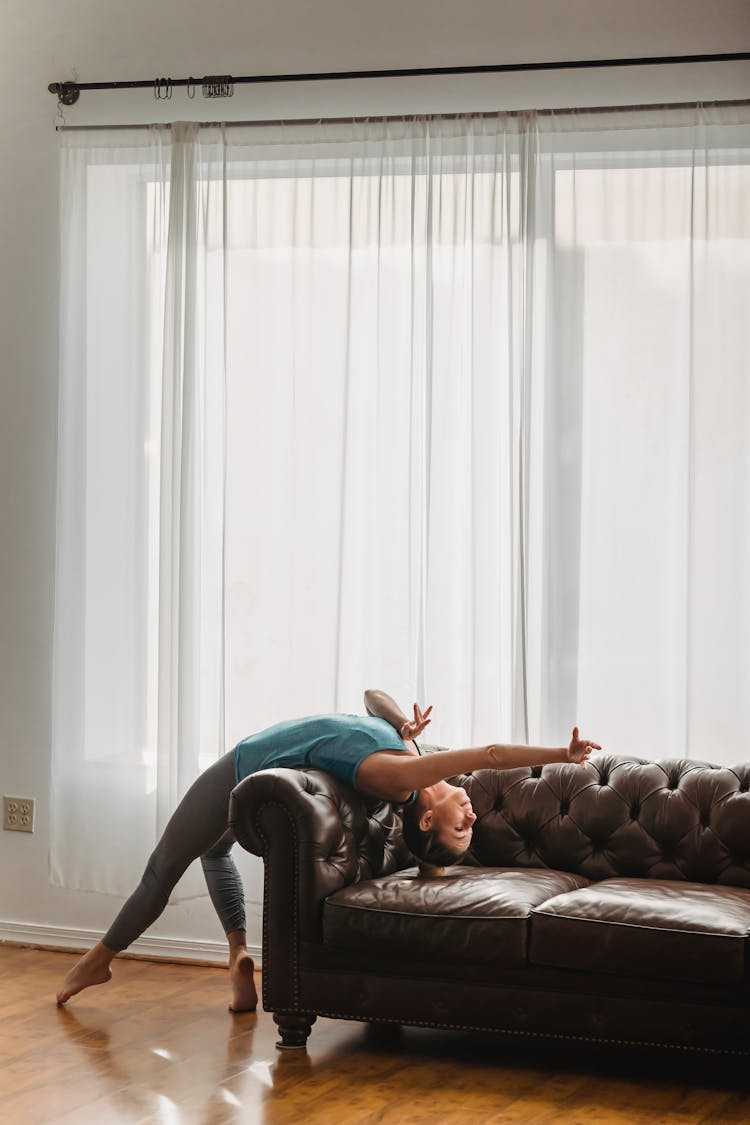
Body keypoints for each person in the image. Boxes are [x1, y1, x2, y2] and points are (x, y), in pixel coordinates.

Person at [56, 689, 600, 1011]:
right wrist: (401, 720)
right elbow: (371, 695)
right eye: (469, 827)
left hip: (243, 765)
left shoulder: (404, 773)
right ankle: (236, 954)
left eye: (463, 828)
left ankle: (97, 960)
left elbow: (490, 752)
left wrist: (561, 753)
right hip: (254, 763)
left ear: (428, 817)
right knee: (215, 852)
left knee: (162, 868)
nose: (474, 816)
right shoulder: (407, 748)